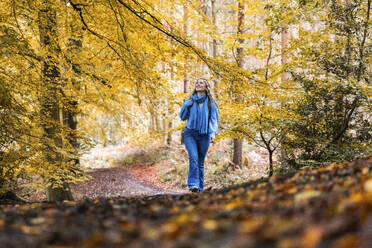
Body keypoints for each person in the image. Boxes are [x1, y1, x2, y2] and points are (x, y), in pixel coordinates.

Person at [179, 78, 219, 193]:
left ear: (206, 87)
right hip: (190, 134)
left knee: (201, 162)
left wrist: (212, 134)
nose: (198, 84)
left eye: (201, 83)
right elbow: (182, 117)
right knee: (194, 158)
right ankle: (193, 185)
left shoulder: (211, 103)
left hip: (204, 135)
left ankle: (199, 189)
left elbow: (214, 120)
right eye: (197, 82)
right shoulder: (190, 101)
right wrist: (186, 105)